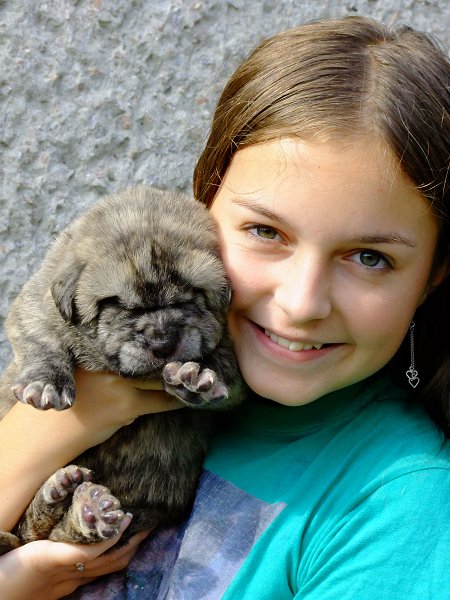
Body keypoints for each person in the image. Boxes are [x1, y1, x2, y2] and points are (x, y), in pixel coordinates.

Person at [0, 14, 449, 599]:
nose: (301, 302)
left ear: (434, 277)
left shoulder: (398, 504)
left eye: (368, 257)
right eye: (266, 232)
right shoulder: (95, 384)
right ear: (201, 209)